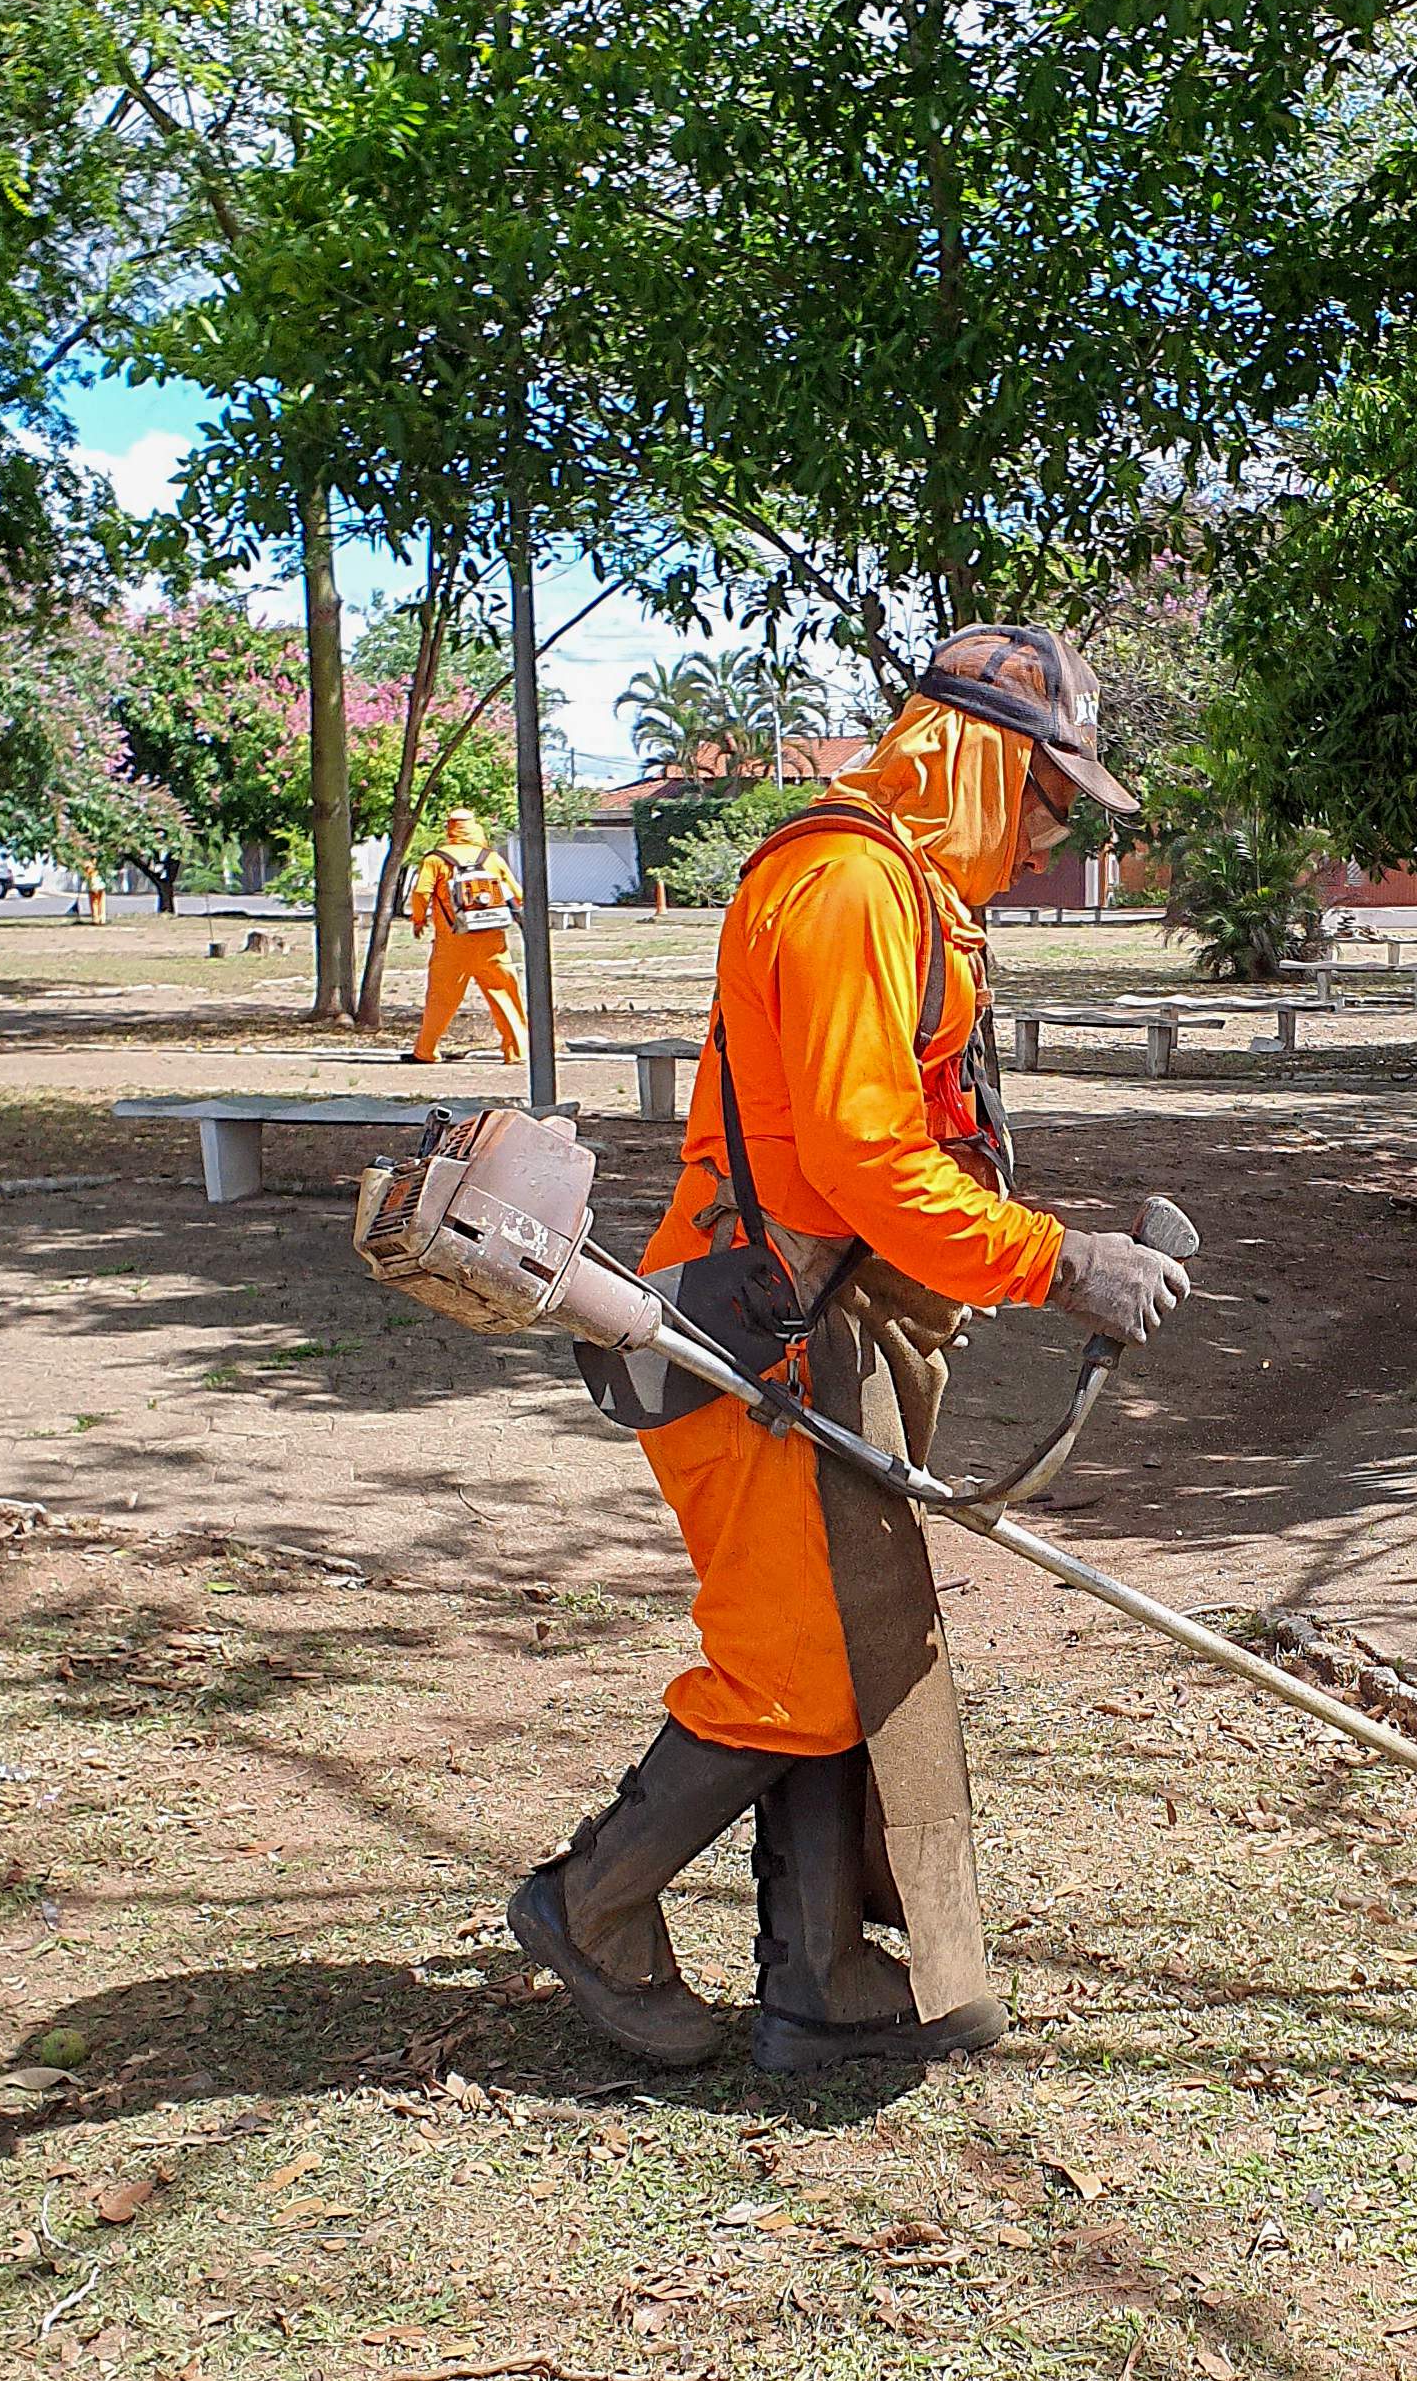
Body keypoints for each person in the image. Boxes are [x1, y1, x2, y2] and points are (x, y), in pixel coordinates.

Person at [509, 626, 1190, 2076]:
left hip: (818, 1332)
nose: (1053, 839)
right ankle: (592, 1904)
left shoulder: (910, 891)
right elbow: (867, 1157)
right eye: (1051, 802)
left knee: (831, 1647)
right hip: (756, 1335)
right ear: (982, 758)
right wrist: (1060, 1260)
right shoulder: (845, 886)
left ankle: (816, 1975)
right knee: (800, 1667)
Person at [405, 810, 526, 1064]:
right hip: (492, 941)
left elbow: (421, 893)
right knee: (504, 993)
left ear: (450, 829)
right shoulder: (492, 858)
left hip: (452, 942)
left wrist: (419, 919)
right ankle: (517, 1051)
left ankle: (426, 1051)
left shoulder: (435, 860)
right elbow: (517, 893)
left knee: (441, 997)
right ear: (475, 828)